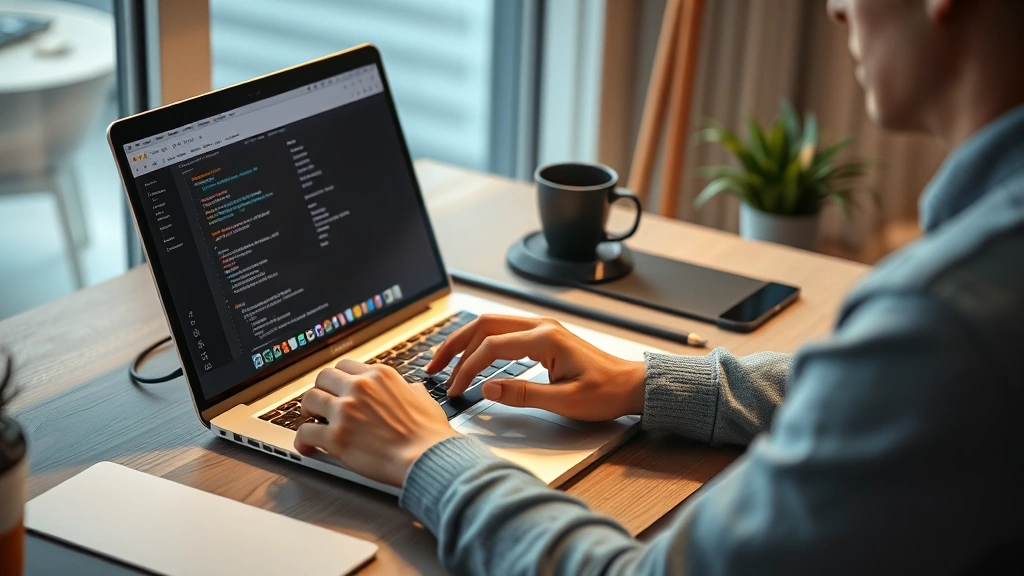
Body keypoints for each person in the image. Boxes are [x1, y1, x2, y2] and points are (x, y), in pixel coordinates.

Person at [294, 0, 1024, 573]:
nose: (836, 8)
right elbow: (884, 396)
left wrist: (425, 458)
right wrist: (647, 381)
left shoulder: (950, 315)